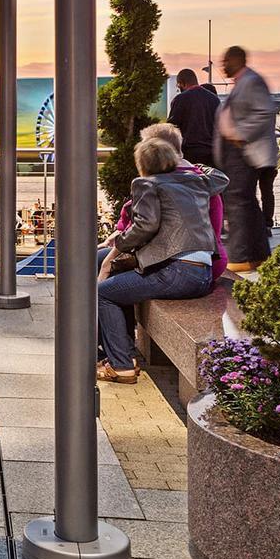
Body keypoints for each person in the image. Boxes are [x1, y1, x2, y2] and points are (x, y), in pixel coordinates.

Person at [96, 138, 228, 383]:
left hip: (176, 272)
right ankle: (121, 354)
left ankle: (122, 365)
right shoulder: (196, 180)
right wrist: (199, 166)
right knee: (116, 286)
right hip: (202, 273)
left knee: (103, 293)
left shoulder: (146, 184)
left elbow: (145, 226)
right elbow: (221, 177)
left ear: (142, 165)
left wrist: (118, 246)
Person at [213, 46, 277, 272]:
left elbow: (265, 111)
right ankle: (258, 255)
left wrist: (240, 135)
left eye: (226, 60)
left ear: (237, 60)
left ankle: (240, 256)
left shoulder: (251, 81)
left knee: (239, 203)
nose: (223, 64)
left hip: (245, 153)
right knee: (246, 203)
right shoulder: (241, 84)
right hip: (236, 154)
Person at [167, 67, 220, 166]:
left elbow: (172, 128)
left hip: (189, 154)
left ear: (181, 83)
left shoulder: (180, 99)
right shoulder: (214, 100)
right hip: (212, 154)